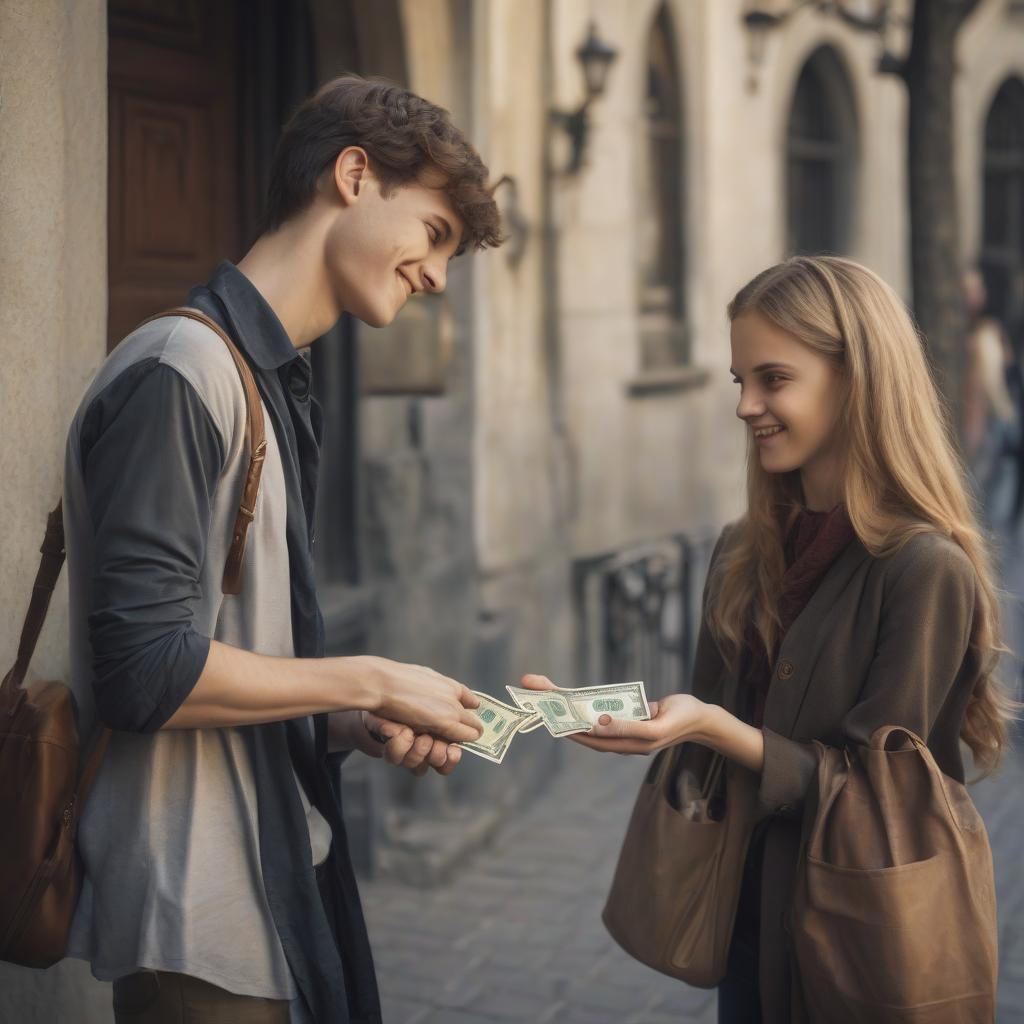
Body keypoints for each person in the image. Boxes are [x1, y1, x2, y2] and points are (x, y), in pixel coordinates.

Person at [62, 75, 500, 1024]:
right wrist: (370, 680)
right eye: (432, 235)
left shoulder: (263, 378)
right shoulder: (184, 370)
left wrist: (343, 725)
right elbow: (144, 673)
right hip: (197, 911)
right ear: (353, 176)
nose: (436, 276)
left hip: (262, 886)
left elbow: (224, 649)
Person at [522, 256, 1015, 1023]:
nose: (747, 405)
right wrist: (617, 716)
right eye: (738, 381)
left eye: (774, 379)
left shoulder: (923, 570)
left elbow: (883, 798)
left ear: (858, 381)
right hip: (745, 924)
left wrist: (714, 728)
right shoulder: (740, 549)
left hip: (858, 941)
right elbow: (710, 714)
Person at [963, 267, 1018, 521]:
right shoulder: (983, 335)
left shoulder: (986, 334)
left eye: (977, 289)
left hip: (993, 426)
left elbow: (986, 387)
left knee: (985, 504)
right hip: (991, 424)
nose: (973, 295)